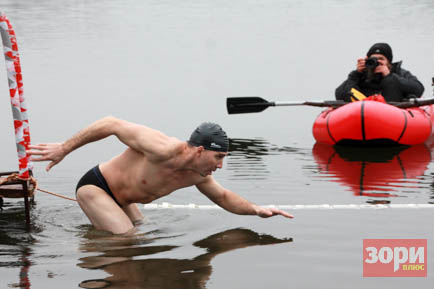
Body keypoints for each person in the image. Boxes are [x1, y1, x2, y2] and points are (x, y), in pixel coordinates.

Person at [27, 117, 293, 234]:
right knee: (127, 240)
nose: (220, 166)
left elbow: (223, 197)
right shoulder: (162, 148)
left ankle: (94, 257)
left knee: (141, 232)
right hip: (97, 187)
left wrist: (257, 210)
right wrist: (64, 148)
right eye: (219, 157)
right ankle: (90, 259)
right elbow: (110, 124)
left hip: (124, 200)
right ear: (201, 150)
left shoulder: (199, 174)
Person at [335, 43, 424, 102]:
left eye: (381, 59)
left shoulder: (399, 73)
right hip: (362, 112)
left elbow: (419, 89)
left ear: (389, 62)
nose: (377, 62)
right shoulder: (360, 75)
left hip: (393, 114)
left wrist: (389, 76)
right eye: (374, 59)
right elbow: (339, 94)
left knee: (390, 82)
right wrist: (355, 74)